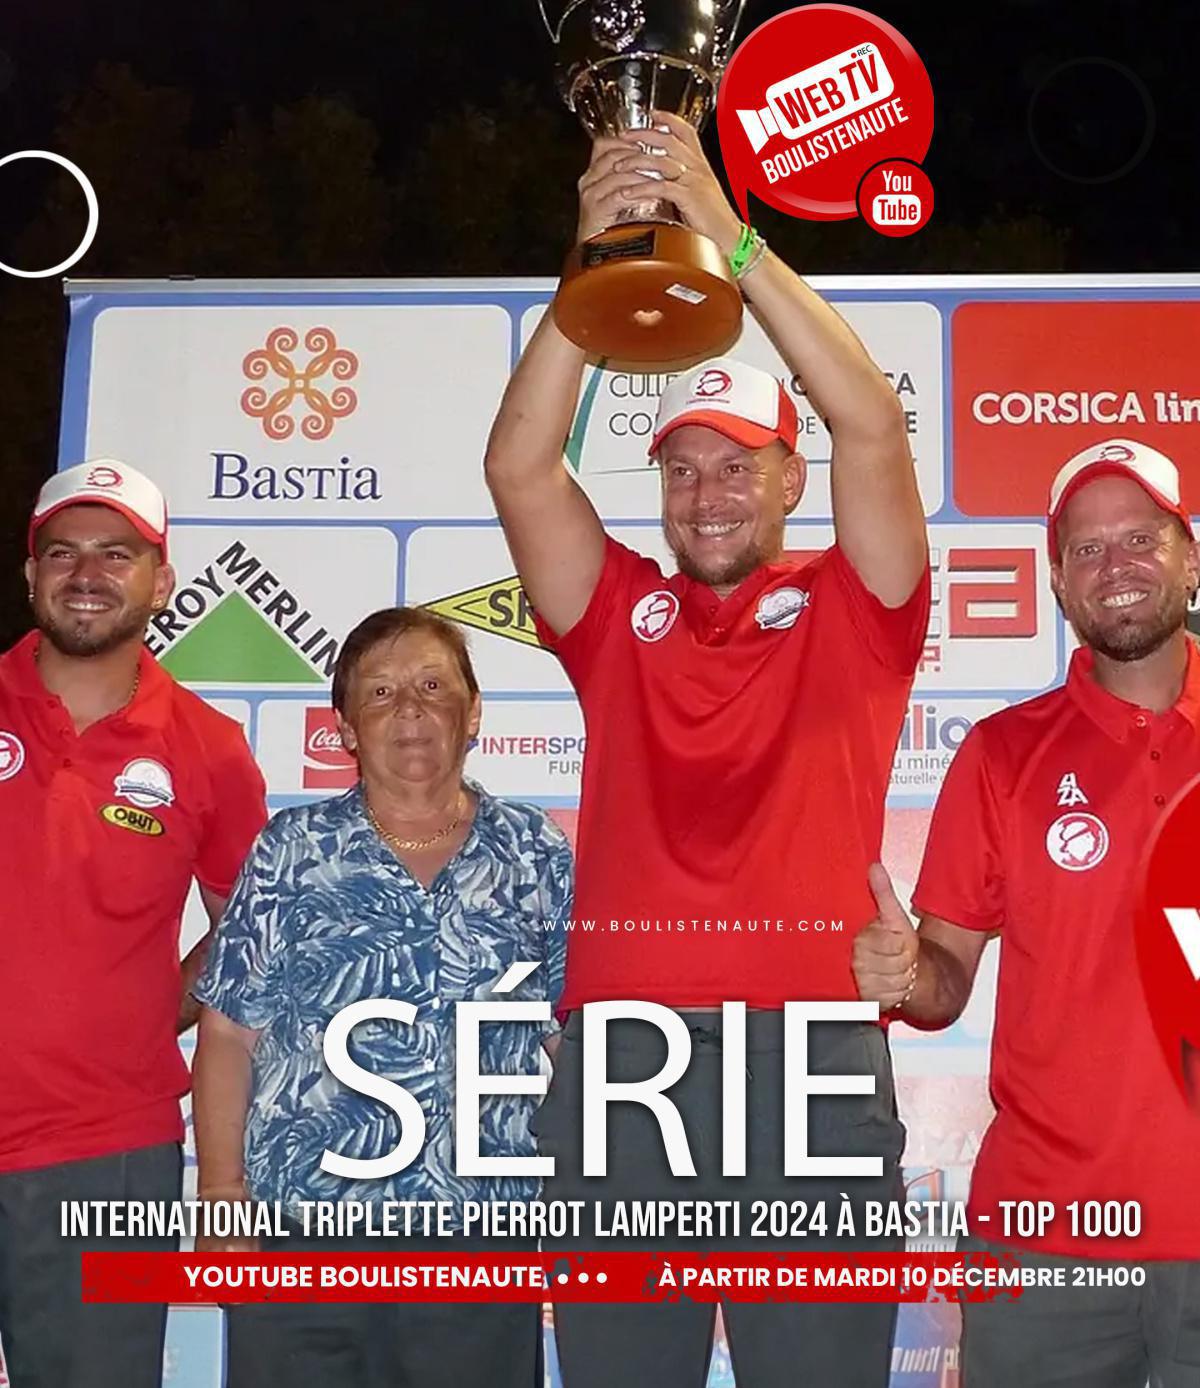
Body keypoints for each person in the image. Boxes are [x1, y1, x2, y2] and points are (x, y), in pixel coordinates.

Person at [484, 112, 929, 1388]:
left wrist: (731, 243)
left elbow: (876, 428)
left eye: (738, 464)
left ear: (793, 477)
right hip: (627, 1056)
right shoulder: (622, 614)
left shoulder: (861, 604)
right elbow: (520, 466)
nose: (708, 491)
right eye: (681, 468)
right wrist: (595, 253)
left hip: (811, 1053)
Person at [853, 438, 1200, 1388]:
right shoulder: (1005, 755)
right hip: (1051, 1239)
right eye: (1086, 550)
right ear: (1055, 580)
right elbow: (945, 982)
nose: (1116, 567)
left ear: (1190, 556)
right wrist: (908, 973)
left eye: (1140, 539)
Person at [192, 606, 570, 1388]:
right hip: (302, 1234)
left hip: (480, 1236)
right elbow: (228, 1033)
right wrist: (222, 1192)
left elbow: (575, 1039)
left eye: (434, 686)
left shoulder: (533, 851)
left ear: (473, 715)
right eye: (382, 693)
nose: (411, 709)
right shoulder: (292, 852)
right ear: (346, 729)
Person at [0, 459, 267, 1388]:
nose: (87, 573)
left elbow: (249, 930)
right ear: (30, 574)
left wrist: (154, 1009)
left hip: (105, 1149)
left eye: (118, 553)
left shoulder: (208, 747)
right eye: (62, 551)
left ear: (163, 579)